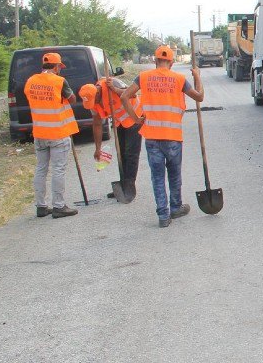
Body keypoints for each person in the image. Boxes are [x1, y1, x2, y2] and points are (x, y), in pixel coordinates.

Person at [120, 45, 204, 228]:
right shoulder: (179, 79)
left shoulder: (143, 77)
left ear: (155, 60)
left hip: (152, 137)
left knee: (157, 177)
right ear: (172, 62)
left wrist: (136, 119)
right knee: (174, 174)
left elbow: (125, 97)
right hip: (172, 136)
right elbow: (199, 97)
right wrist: (197, 76)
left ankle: (163, 215)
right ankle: (175, 207)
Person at [23, 52, 79, 218]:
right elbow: (73, 99)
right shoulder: (59, 81)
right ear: (56, 67)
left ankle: (41, 206)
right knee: (58, 169)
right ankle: (59, 206)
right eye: (59, 67)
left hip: (39, 132)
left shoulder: (31, 81)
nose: (60, 70)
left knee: (41, 169)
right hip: (57, 132)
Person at [78, 74, 142, 202]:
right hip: (120, 122)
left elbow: (133, 94)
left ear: (97, 93)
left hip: (135, 118)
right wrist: (98, 148)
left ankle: (129, 187)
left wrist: (114, 89)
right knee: (121, 153)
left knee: (131, 154)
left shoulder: (112, 83)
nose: (94, 104)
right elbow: (97, 123)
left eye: (94, 101)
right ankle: (123, 184)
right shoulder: (93, 101)